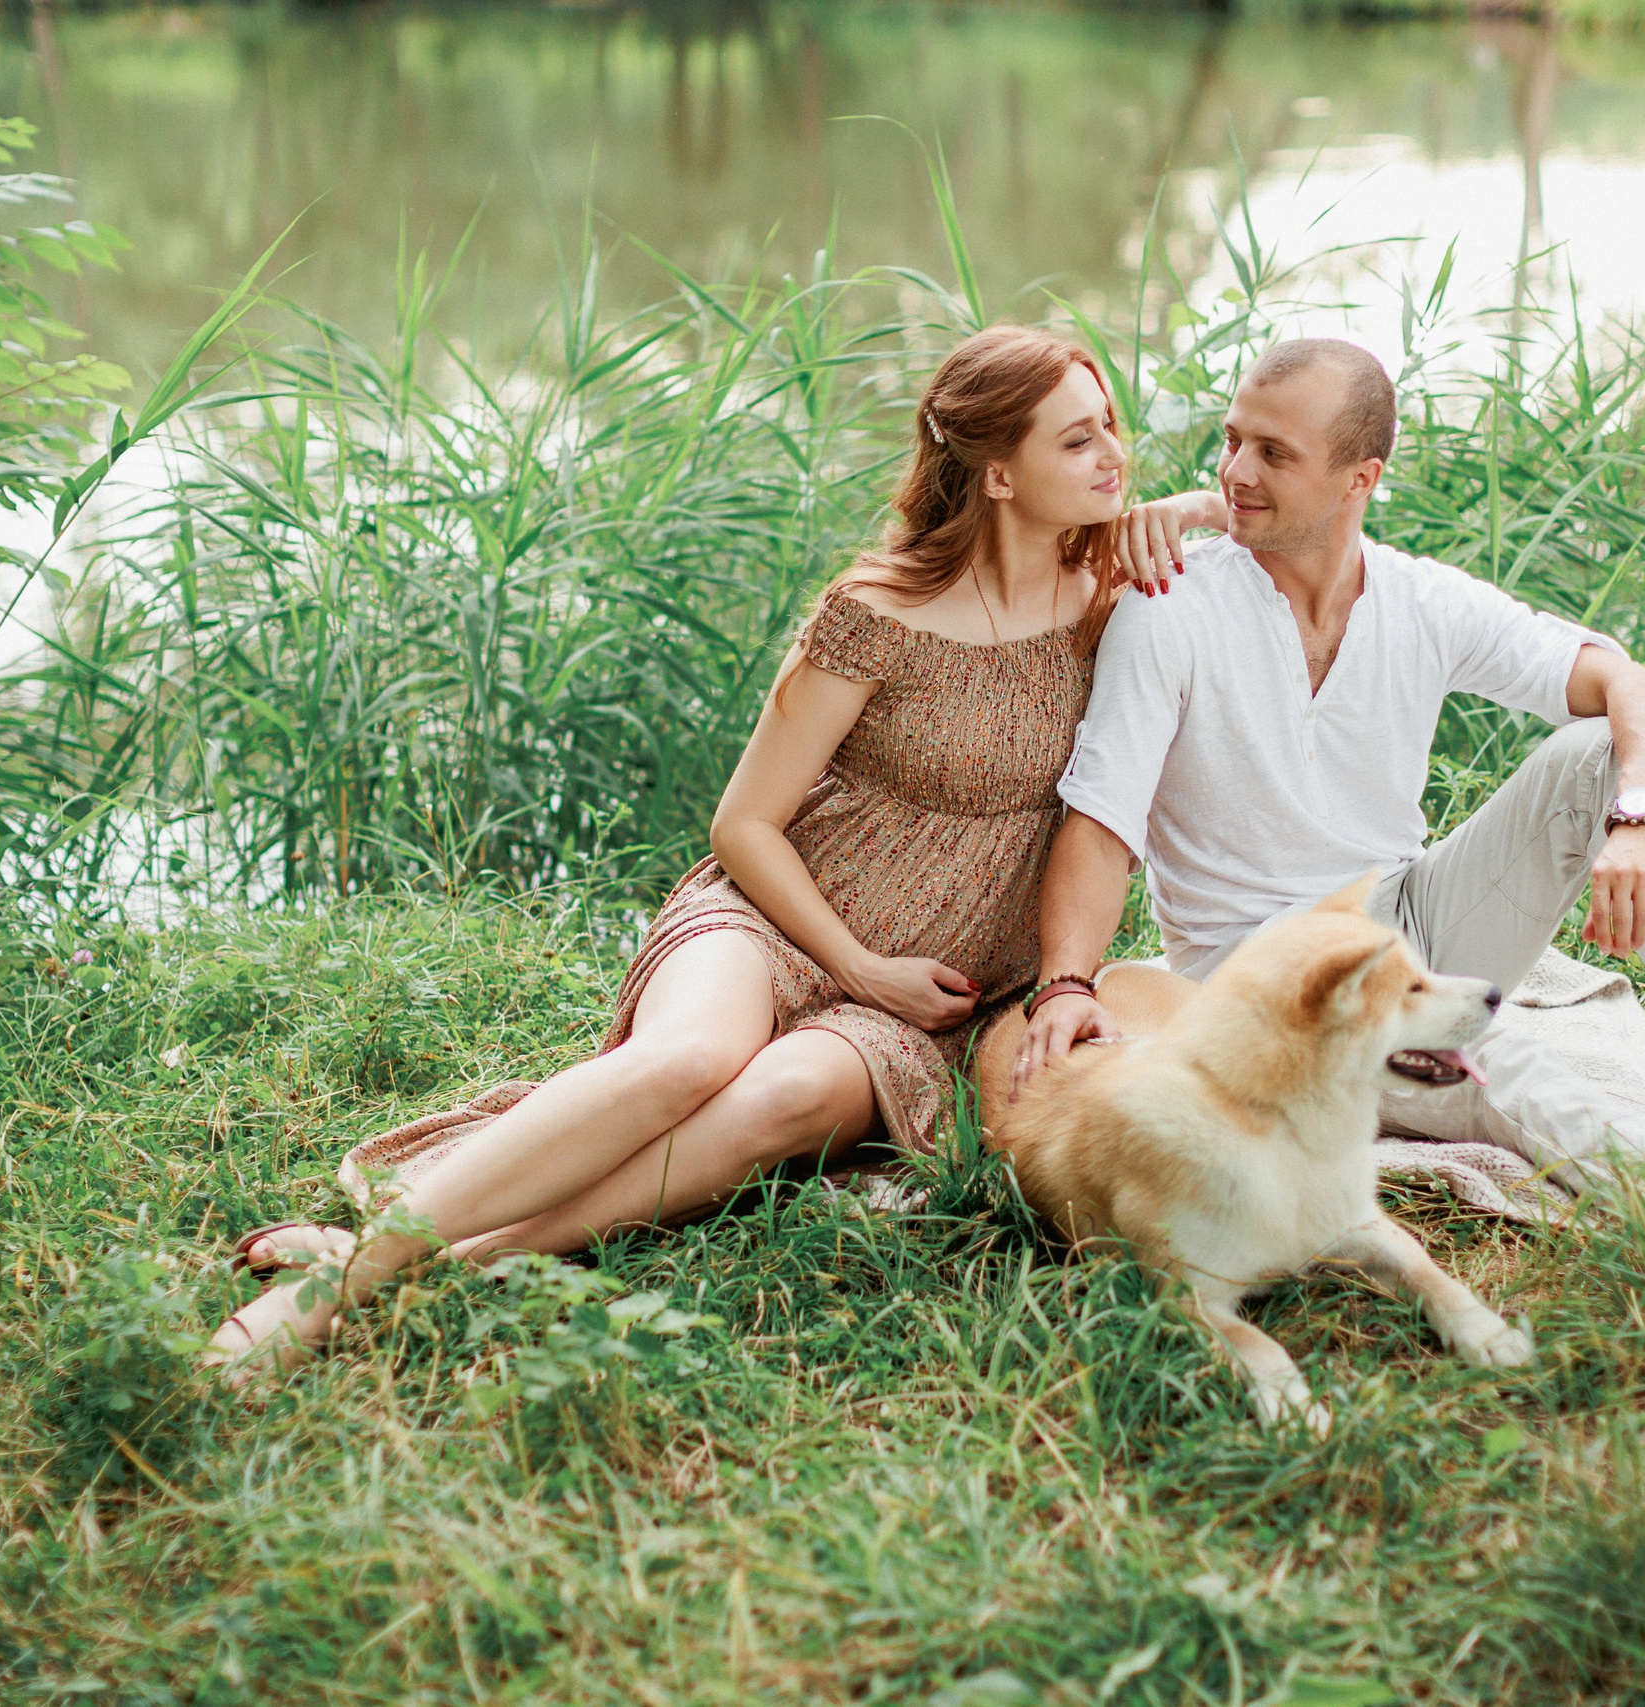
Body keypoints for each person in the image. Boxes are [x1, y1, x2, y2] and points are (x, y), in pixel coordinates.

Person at [205, 326, 1136, 1379]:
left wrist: (1189, 515)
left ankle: (454, 1256)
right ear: (998, 474)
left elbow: (1229, 561)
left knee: (776, 1100)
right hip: (776, 918)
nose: (1112, 453)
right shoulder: (877, 613)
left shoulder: (1114, 611)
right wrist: (855, 961)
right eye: (1077, 440)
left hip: (928, 1006)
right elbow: (743, 823)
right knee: (687, 1061)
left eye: (1108, 426)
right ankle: (336, 1293)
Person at [1013, 337, 1645, 1301]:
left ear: (1358, 478)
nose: (1236, 472)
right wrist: (1065, 985)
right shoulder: (1169, 609)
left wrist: (1639, 821)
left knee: (1598, 753)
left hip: (1410, 916)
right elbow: (1102, 824)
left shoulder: (1418, 598)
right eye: (1232, 441)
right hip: (1269, 978)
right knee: (1499, 1059)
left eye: (1275, 454)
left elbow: (1641, 689)